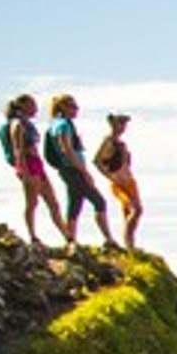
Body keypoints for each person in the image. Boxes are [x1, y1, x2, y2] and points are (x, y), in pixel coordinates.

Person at [40, 93, 109, 250]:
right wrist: (84, 171)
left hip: (68, 170)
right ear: (62, 107)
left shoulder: (58, 124)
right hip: (73, 169)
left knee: (75, 204)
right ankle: (108, 239)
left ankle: (70, 241)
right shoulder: (63, 125)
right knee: (99, 201)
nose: (76, 109)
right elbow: (67, 149)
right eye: (72, 106)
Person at [0, 93, 54, 244]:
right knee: (32, 203)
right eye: (32, 104)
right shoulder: (17, 124)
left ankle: (67, 236)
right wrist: (22, 171)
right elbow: (18, 149)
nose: (36, 108)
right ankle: (33, 235)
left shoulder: (27, 124)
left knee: (52, 203)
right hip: (28, 164)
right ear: (23, 105)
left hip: (36, 162)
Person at [93, 109, 143, 248]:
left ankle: (130, 246)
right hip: (119, 183)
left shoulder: (122, 143)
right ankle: (129, 244)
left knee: (129, 214)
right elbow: (97, 161)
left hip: (129, 181)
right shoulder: (108, 141)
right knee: (136, 210)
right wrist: (110, 177)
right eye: (120, 123)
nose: (122, 127)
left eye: (124, 124)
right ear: (113, 124)